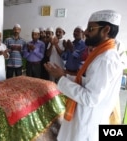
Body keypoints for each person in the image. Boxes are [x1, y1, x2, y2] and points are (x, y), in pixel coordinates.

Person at [44, 10, 122, 141]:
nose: (85, 32)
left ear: (106, 30)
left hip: (87, 123)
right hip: (86, 118)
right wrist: (65, 75)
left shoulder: (105, 59)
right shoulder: (102, 54)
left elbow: (90, 98)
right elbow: (87, 82)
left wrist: (60, 78)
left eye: (90, 28)